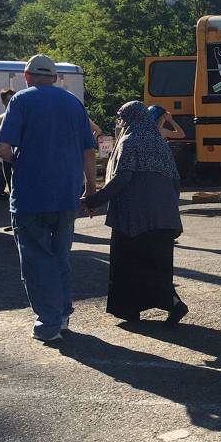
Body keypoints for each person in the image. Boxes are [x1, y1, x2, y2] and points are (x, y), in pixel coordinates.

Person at [0, 54, 97, 343]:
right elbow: (89, 151)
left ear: (27, 77)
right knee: (60, 256)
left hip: (30, 196)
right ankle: (62, 315)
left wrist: (20, 161)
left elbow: (1, 146)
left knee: (36, 260)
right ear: (54, 78)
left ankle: (48, 323)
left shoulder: (21, 101)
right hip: (66, 194)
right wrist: (90, 187)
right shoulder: (74, 104)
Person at [82, 101, 187, 325]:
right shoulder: (160, 142)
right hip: (163, 217)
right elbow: (176, 180)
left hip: (134, 217)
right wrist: (170, 209)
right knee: (157, 265)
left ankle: (130, 310)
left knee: (129, 265)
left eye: (122, 119)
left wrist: (95, 200)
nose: (120, 123)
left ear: (130, 119)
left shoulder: (130, 142)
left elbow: (123, 178)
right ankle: (173, 304)